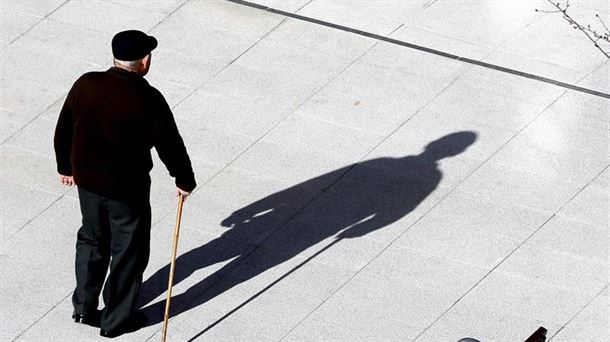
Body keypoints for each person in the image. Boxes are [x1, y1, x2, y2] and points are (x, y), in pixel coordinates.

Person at [53, 30, 196, 338]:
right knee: (128, 250)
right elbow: (170, 144)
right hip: (125, 190)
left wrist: (65, 166)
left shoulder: (86, 83)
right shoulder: (148, 98)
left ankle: (84, 307)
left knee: (91, 241)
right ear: (143, 61)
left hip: (87, 184)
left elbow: (64, 127)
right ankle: (116, 320)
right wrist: (184, 180)